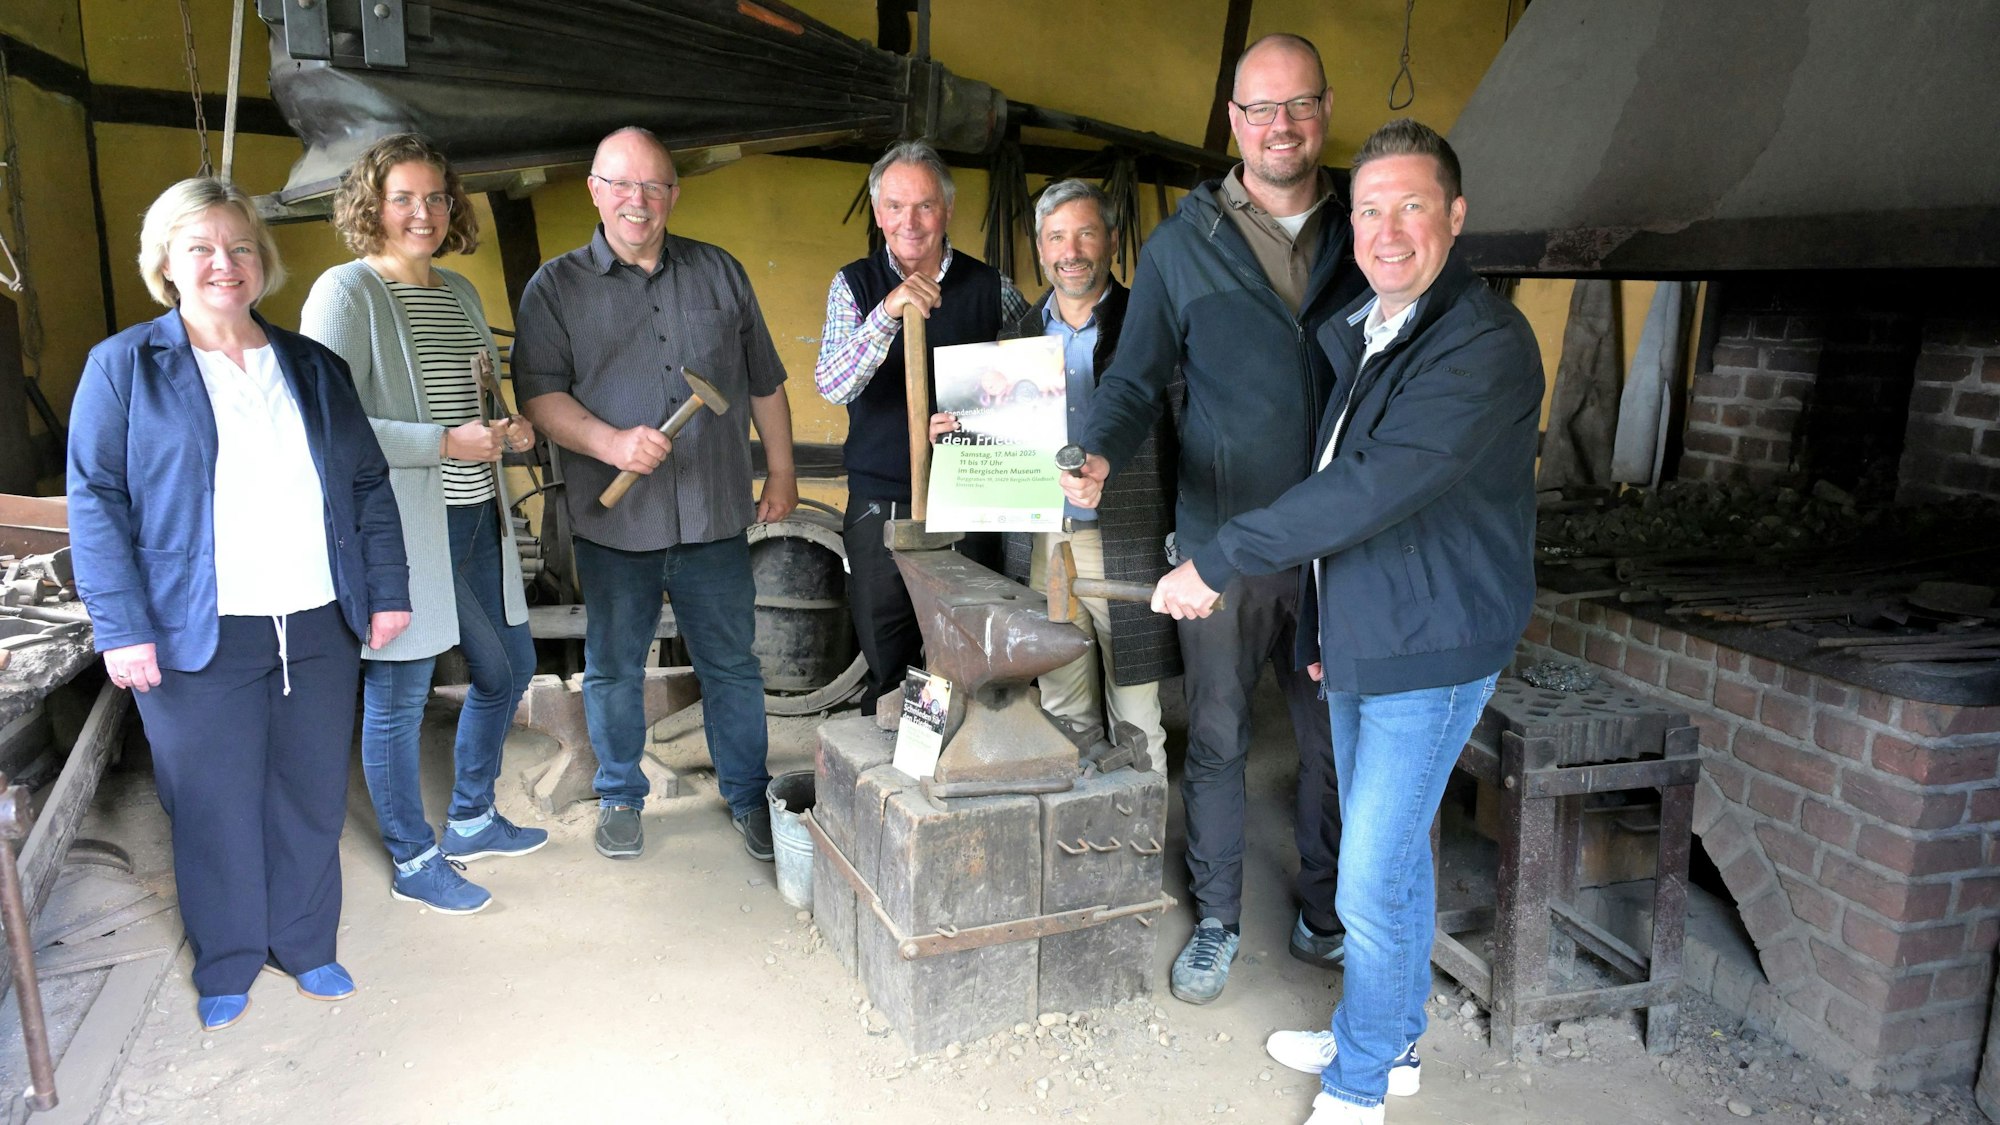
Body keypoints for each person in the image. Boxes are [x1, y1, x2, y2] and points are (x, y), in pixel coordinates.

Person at [1159, 119, 1543, 1125]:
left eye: (1411, 206)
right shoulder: (1379, 330)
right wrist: (1326, 635)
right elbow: (1343, 493)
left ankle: (1360, 1081)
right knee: (1396, 858)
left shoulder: (1480, 342)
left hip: (1432, 643)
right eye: (1368, 209)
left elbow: (1373, 489)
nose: (1386, 229)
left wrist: (1219, 556)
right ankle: (1390, 1035)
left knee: (1370, 876)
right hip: (1375, 632)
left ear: (1453, 218)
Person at [1061, 34, 1366, 1003]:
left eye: (1298, 105)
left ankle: (1323, 912)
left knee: (1330, 742)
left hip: (1338, 547)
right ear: (1231, 122)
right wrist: (1097, 447)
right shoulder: (1181, 246)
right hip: (1219, 550)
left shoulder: (1368, 226)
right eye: (1258, 109)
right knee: (1222, 739)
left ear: (1322, 110)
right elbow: (1134, 375)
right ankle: (1218, 919)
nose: (1280, 126)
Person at [66, 178, 411, 1031]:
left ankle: (304, 940)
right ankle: (226, 955)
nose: (225, 263)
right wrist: (121, 626)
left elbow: (366, 483)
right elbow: (96, 499)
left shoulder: (312, 367)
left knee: (308, 787)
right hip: (196, 627)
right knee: (211, 794)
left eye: (241, 246)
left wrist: (388, 589)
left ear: (263, 261)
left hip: (318, 617)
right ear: (167, 267)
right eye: (201, 249)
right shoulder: (125, 366)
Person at [514, 127, 797, 862]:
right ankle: (618, 793)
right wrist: (612, 444)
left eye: (653, 187)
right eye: (621, 185)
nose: (637, 202)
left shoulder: (720, 273)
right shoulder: (555, 287)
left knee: (732, 662)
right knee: (614, 664)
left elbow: (763, 381)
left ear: (673, 193)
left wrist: (784, 470)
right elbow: (540, 396)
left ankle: (747, 794)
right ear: (595, 191)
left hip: (713, 513)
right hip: (617, 523)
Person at [301, 133, 546, 917]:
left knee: (508, 665)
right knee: (400, 694)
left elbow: (474, 398)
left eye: (436, 197)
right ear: (371, 205)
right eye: (403, 197)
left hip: (478, 513)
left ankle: (471, 815)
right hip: (402, 529)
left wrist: (506, 427)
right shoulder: (346, 293)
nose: (423, 212)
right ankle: (412, 854)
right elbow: (327, 424)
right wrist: (442, 442)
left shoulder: (460, 293)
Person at [930, 179, 1178, 770]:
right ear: (1040, 250)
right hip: (1044, 542)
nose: (1072, 250)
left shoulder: (1150, 324)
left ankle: (1134, 847)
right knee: (1063, 705)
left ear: (1113, 242)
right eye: (1056, 237)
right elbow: (1004, 435)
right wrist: (960, 432)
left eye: (1086, 233)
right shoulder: (1015, 339)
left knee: (1137, 714)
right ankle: (1077, 842)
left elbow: (1180, 428)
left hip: (1126, 537)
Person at [814, 140, 1029, 712]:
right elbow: (834, 384)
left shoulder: (990, 288)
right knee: (889, 647)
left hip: (972, 495)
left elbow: (1035, 379)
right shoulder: (855, 286)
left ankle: (954, 762)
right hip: (882, 497)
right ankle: (900, 771)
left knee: (962, 644)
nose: (909, 221)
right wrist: (886, 314)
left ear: (948, 210)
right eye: (895, 206)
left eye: (925, 206)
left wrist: (974, 423)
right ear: (879, 212)